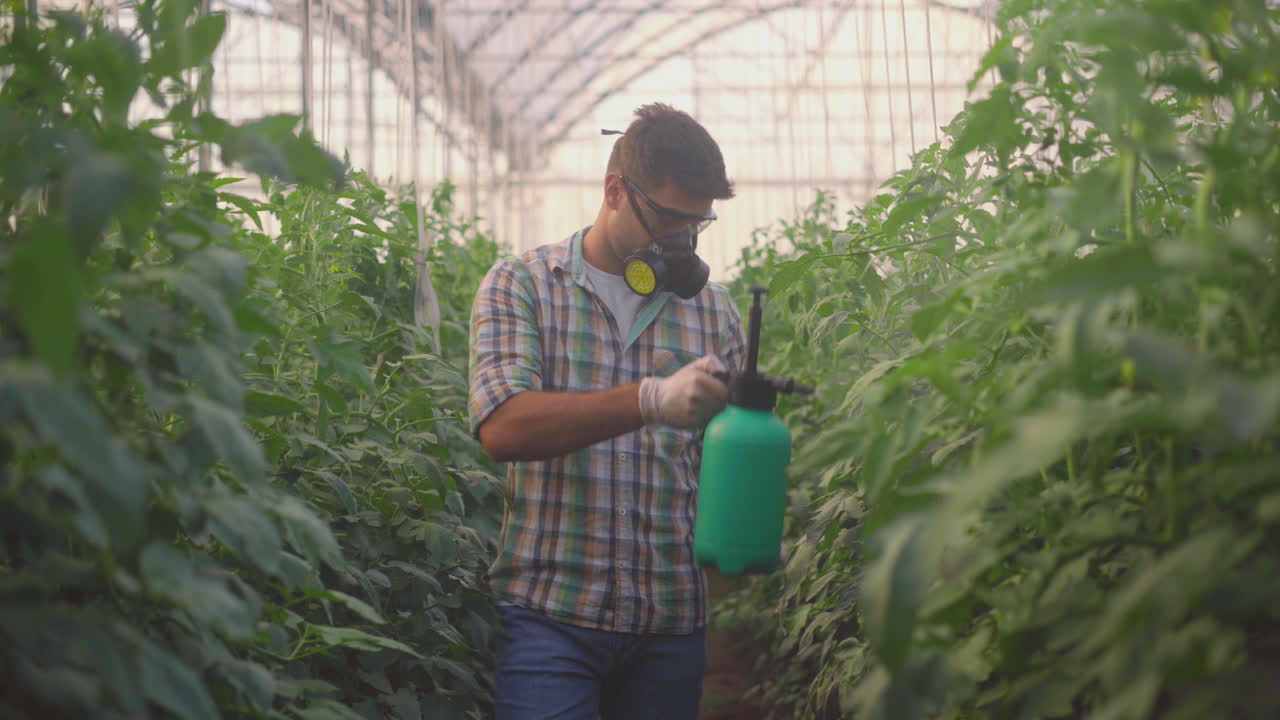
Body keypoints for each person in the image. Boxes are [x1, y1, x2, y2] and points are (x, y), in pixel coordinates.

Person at [467, 102, 747, 719]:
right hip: (549, 613)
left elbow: (723, 466)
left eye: (696, 227)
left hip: (671, 621)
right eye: (670, 221)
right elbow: (504, 427)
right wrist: (650, 399)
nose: (681, 242)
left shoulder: (714, 313)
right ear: (615, 191)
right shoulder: (524, 285)